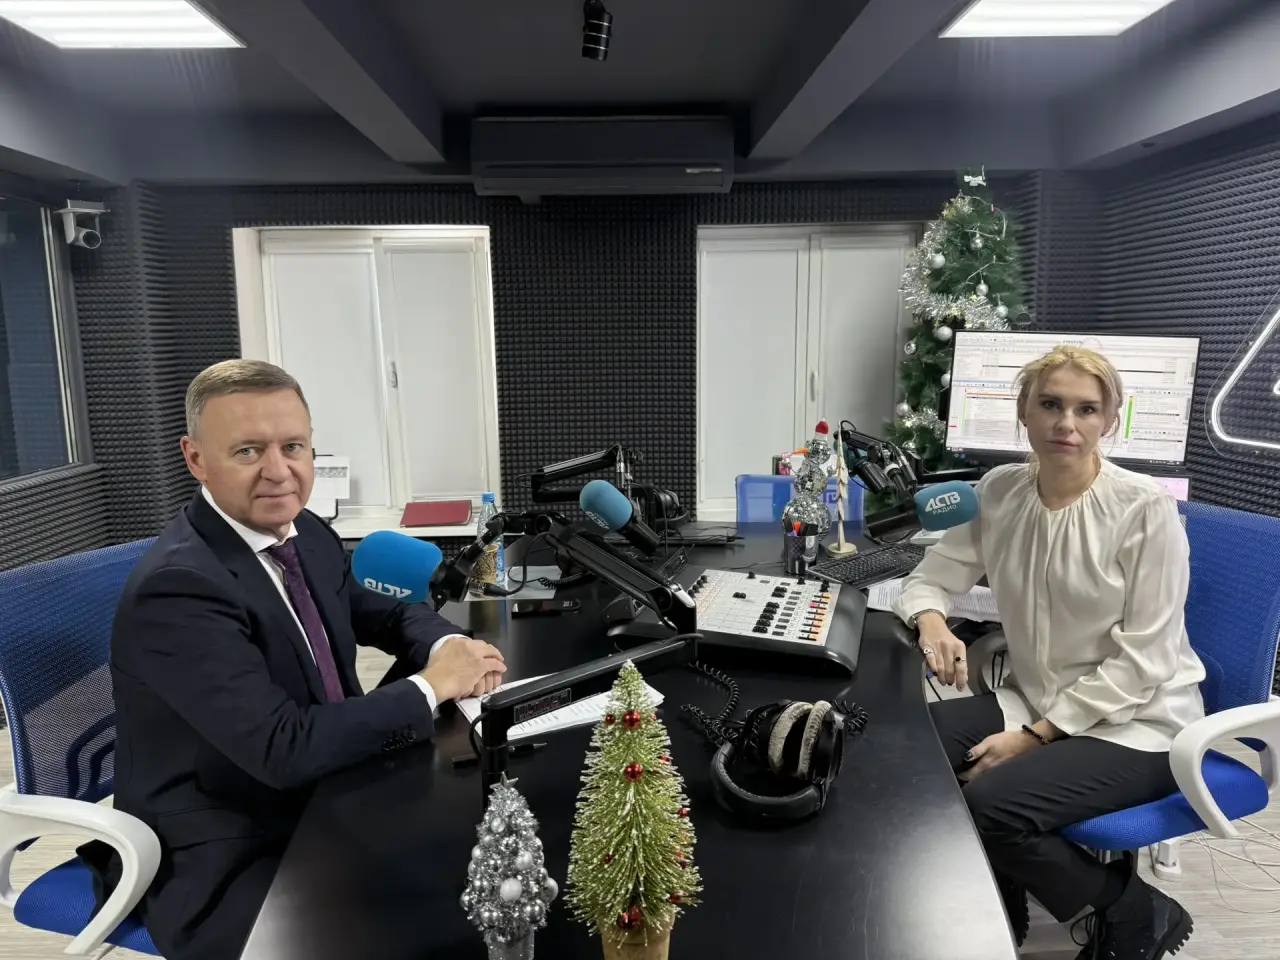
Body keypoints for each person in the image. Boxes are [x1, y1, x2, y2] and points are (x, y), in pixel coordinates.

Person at [92, 359, 507, 960]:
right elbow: (283, 748)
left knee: (488, 870)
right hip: (233, 846)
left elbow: (384, 613)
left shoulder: (303, 532)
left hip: (328, 792)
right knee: (445, 923)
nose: (278, 471)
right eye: (248, 451)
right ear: (195, 458)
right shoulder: (179, 588)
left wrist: (449, 647)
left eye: (293, 447)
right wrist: (431, 686)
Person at [895, 345, 1204, 960]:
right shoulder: (1000, 490)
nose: (1067, 423)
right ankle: (1001, 899)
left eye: (1087, 409)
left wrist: (1035, 738)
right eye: (1051, 404)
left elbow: (1145, 659)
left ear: (1109, 420)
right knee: (906, 756)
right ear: (1024, 412)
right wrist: (931, 620)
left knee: (989, 805)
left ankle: (1134, 908)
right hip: (1036, 698)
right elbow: (931, 576)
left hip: (1139, 722)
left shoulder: (1144, 508)